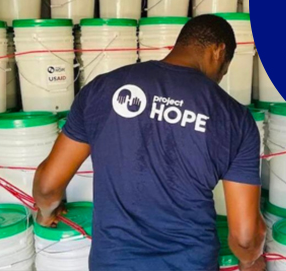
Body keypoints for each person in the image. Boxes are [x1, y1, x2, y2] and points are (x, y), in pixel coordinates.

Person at [33, 14, 266, 271]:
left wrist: (46, 214)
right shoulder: (235, 118)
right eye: (224, 69)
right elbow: (245, 237)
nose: (220, 77)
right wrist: (251, 262)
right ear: (219, 52)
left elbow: (47, 186)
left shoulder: (102, 89)